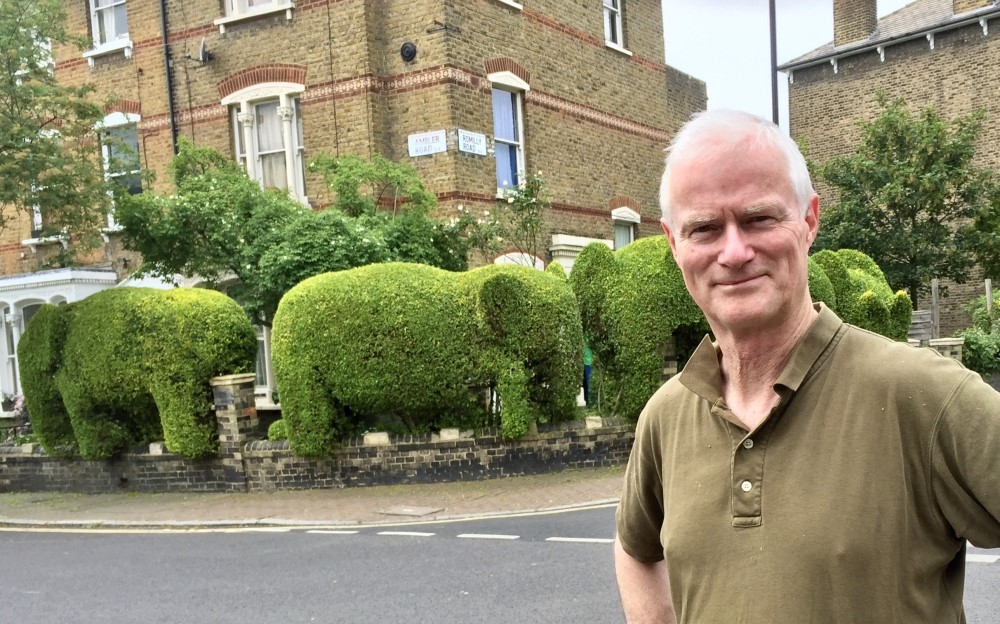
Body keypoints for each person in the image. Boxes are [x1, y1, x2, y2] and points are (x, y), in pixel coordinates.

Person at [613, 109, 1000, 623]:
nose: (733, 251)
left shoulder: (923, 396)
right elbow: (635, 548)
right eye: (704, 228)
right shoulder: (667, 415)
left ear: (809, 220)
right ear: (673, 243)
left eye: (758, 219)